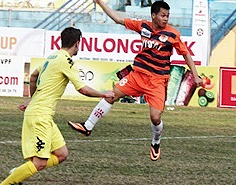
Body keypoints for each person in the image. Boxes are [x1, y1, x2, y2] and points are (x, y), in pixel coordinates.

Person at [0, 27, 115, 185]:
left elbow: (33, 76)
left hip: (43, 114)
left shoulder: (52, 57)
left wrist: (32, 99)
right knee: (40, 162)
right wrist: (104, 94)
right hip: (40, 115)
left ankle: (20, 172)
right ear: (78, 43)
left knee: (62, 153)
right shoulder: (66, 61)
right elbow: (83, 89)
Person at [68, 0, 202, 161]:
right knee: (110, 95)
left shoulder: (173, 34)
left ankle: (156, 142)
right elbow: (118, 19)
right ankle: (88, 126)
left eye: (167, 16)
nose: (166, 19)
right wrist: (100, 2)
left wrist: (195, 75)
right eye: (163, 15)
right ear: (154, 15)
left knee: (155, 117)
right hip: (137, 76)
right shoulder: (143, 26)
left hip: (157, 81)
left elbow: (185, 54)